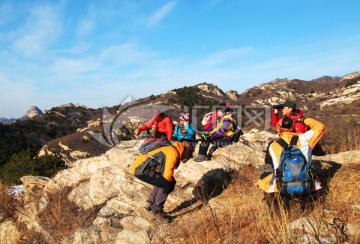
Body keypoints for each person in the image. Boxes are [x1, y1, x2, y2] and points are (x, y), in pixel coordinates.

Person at [257, 115, 325, 196]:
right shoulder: (305, 139)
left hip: (282, 187)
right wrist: (300, 119)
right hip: (308, 186)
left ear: (279, 128)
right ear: (293, 127)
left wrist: (260, 172)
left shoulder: (272, 146)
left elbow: (271, 166)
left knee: (264, 177)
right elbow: (320, 127)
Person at [130, 141, 192, 224]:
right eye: (189, 155)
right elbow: (167, 174)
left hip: (141, 168)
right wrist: (168, 184)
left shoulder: (171, 148)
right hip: (141, 170)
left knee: (165, 181)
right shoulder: (173, 152)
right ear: (185, 150)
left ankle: (150, 203)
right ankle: (156, 211)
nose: (188, 158)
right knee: (167, 184)